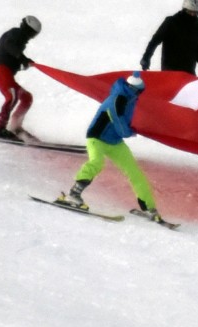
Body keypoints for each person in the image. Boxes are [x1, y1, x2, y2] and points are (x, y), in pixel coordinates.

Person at [58, 71, 165, 222]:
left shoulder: (129, 98)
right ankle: (73, 194)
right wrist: (129, 132)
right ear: (136, 89)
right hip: (97, 138)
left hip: (115, 141)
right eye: (141, 91)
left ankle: (148, 208)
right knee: (96, 163)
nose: (141, 94)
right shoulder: (118, 99)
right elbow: (119, 122)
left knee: (135, 172)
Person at [0, 15, 42, 140]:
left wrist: (22, 62)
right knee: (12, 95)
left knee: (26, 97)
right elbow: (9, 46)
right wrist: (22, 58)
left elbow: (11, 53)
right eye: (32, 34)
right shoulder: (15, 33)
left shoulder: (19, 40)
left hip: (4, 73)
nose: (31, 37)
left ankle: (15, 126)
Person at [139, 0, 198, 76]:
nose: (192, 14)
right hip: (169, 72)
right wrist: (146, 58)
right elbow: (155, 41)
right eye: (190, 11)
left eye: (195, 12)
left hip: (188, 75)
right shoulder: (171, 22)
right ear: (184, 9)